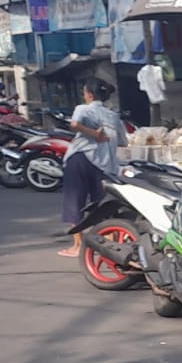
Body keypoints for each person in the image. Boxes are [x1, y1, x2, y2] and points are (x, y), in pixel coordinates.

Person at [60, 80, 126, 257]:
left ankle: (78, 246)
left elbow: (74, 125)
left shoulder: (83, 108)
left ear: (89, 94)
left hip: (80, 159)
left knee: (75, 202)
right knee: (103, 205)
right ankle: (111, 246)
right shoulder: (113, 116)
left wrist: (93, 134)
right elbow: (123, 141)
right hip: (105, 164)